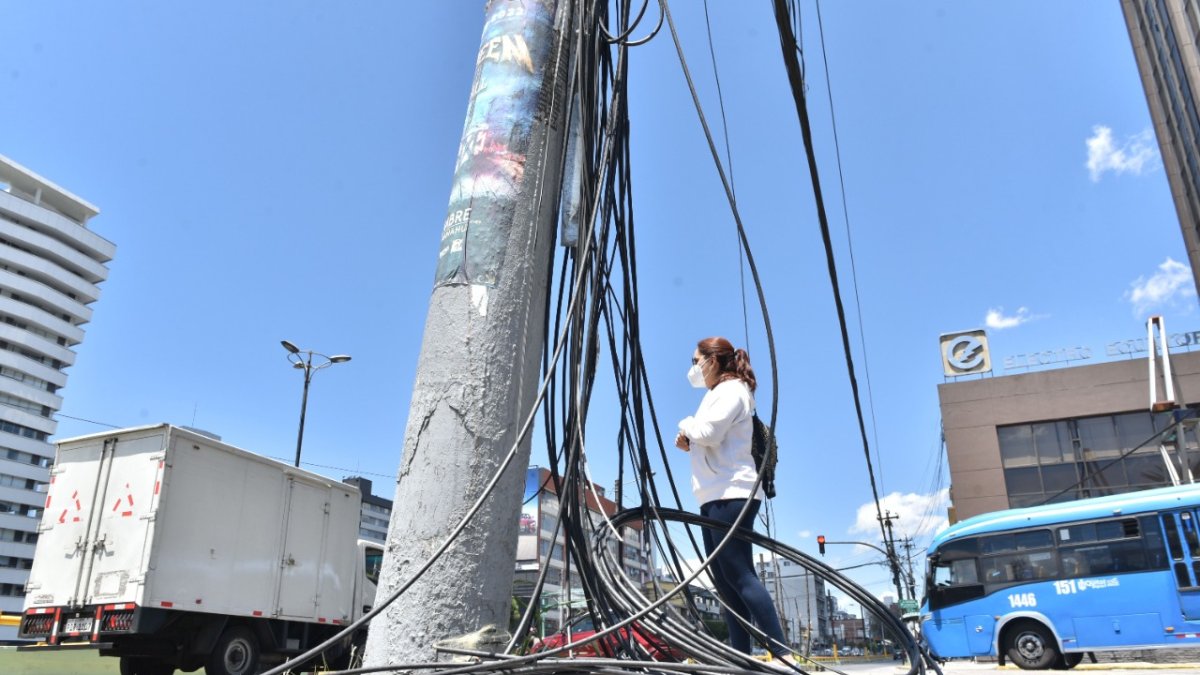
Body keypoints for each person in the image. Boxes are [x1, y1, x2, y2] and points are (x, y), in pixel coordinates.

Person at [675, 336, 789, 659]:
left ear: (713, 360)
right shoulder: (717, 394)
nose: (693, 368)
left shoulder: (733, 390)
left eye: (696, 360)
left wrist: (687, 424)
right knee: (726, 583)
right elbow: (712, 440)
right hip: (714, 496)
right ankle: (742, 658)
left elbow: (708, 432)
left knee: (739, 574)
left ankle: (784, 655)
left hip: (731, 494)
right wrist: (691, 442)